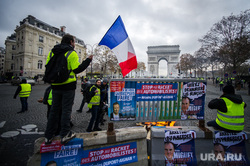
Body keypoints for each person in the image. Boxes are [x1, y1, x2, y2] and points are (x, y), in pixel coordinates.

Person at [44, 34, 93, 145]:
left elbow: (48, 65)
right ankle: (65, 134)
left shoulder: (53, 51)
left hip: (55, 85)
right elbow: (77, 69)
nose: (74, 44)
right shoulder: (71, 53)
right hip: (67, 86)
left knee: (54, 110)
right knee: (66, 110)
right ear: (71, 42)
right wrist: (88, 60)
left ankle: (48, 135)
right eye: (74, 42)